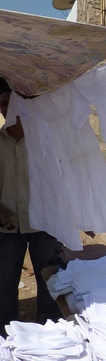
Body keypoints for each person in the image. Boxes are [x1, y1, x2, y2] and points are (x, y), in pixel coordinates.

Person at [0, 78, 62, 337]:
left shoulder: (44, 140)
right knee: (4, 287)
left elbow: (61, 178)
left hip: (44, 223)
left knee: (51, 284)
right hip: (7, 228)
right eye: (3, 104)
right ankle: (7, 339)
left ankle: (49, 337)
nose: (6, 109)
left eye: (11, 103)